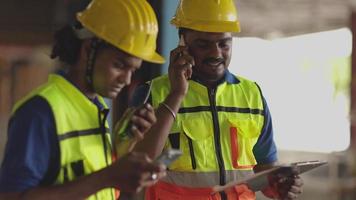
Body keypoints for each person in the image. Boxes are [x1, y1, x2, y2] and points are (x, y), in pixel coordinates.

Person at [130, 0, 304, 199]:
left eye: (224, 44)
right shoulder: (152, 93)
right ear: (182, 43)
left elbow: (265, 166)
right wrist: (177, 93)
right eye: (203, 44)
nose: (216, 53)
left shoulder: (252, 95)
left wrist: (280, 184)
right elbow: (138, 165)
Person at [0, 0, 167, 199]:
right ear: (88, 50)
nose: (127, 79)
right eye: (120, 65)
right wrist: (108, 177)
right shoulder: (40, 112)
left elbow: (91, 184)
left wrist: (121, 147)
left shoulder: (95, 108)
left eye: (133, 70)